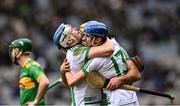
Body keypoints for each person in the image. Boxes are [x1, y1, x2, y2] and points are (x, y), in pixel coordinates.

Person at [60, 21, 141, 106]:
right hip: (132, 97)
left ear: (97, 39)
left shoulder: (95, 61)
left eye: (87, 36)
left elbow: (71, 81)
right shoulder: (116, 45)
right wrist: (121, 79)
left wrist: (63, 71)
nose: (83, 39)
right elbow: (136, 74)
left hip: (117, 101)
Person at [53, 22, 114, 106]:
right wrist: (104, 35)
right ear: (70, 41)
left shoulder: (74, 52)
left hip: (90, 101)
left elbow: (70, 84)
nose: (75, 28)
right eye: (72, 30)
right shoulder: (77, 52)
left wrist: (63, 72)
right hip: (85, 103)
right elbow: (109, 49)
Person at [9, 38, 50, 106]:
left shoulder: (31, 66)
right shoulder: (25, 68)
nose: (11, 53)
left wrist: (35, 101)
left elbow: (45, 82)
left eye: (13, 50)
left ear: (17, 51)